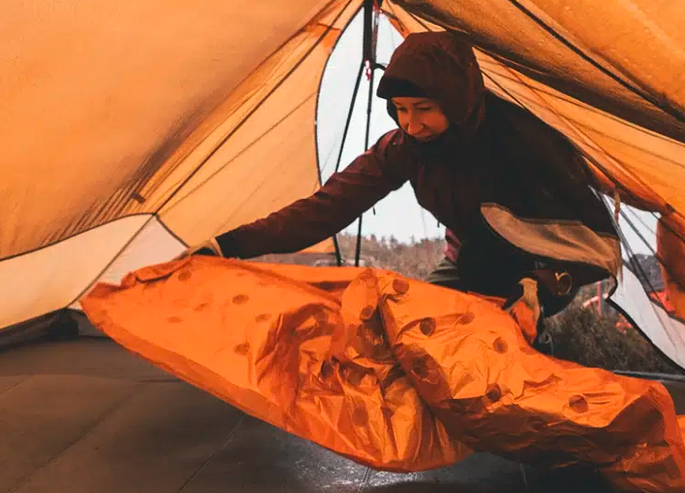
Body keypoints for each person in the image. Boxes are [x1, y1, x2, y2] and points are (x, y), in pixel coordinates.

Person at [191, 30, 622, 343]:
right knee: (414, 333)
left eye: (424, 109)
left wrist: (536, 291)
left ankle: (536, 346)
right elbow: (325, 209)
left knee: (500, 347)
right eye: (400, 110)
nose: (411, 124)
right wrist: (226, 246)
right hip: (469, 257)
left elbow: (591, 245)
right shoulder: (406, 148)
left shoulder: (521, 143)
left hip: (541, 270)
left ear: (456, 100)